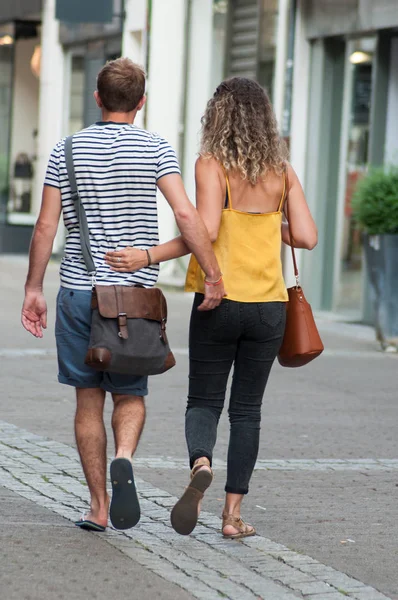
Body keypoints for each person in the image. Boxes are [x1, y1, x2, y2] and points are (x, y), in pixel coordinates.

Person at [21, 58, 225, 533]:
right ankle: (125, 455)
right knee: (130, 392)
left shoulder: (64, 150)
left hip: (78, 290)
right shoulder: (156, 148)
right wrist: (210, 273)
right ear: (141, 102)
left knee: (87, 398)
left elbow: (46, 227)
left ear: (97, 98)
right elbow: (189, 217)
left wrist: (34, 288)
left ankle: (97, 506)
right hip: (134, 298)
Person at [111, 77, 318, 539]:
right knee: (248, 411)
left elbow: (201, 229)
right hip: (269, 307)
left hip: (217, 299)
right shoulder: (281, 170)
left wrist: (147, 255)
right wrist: (266, 226)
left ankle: (200, 461)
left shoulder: (211, 165)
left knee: (203, 400)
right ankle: (232, 516)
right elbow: (307, 236)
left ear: (216, 117)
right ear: (264, 118)